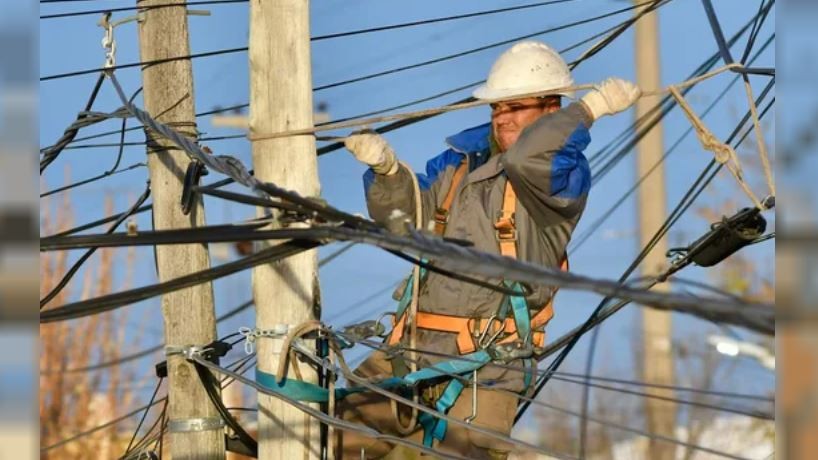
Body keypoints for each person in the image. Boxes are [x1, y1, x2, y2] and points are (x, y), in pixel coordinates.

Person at [336, 40, 640, 459]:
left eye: (516, 106)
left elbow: (531, 157)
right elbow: (407, 224)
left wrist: (589, 109)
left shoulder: (559, 179)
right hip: (410, 347)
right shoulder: (460, 163)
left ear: (552, 109)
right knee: (316, 441)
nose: (503, 117)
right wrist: (387, 173)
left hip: (488, 367)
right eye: (497, 108)